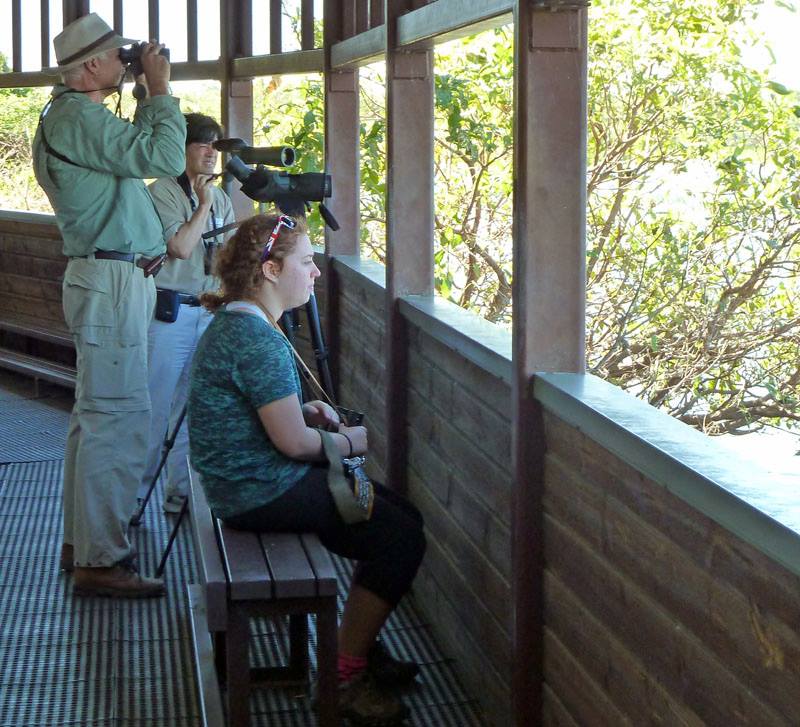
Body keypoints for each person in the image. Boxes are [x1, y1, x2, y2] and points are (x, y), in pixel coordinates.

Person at [187, 214, 426, 724]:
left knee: (398, 515)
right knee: (399, 537)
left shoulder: (241, 322)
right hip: (255, 492)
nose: (315, 272)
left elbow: (275, 419)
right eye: (305, 262)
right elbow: (294, 444)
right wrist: (346, 440)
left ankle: (359, 645)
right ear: (270, 271)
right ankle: (343, 676)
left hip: (242, 481)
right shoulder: (257, 340)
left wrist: (307, 413)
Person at [31, 13, 186, 597]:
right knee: (118, 418)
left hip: (109, 278)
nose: (126, 63)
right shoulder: (76, 116)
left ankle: (85, 543)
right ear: (91, 66)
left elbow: (140, 152)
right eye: (117, 57)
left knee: (95, 418)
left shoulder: (71, 117)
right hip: (112, 281)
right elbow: (165, 158)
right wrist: (161, 89)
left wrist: (144, 92)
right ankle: (102, 560)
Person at [140, 113, 235, 514]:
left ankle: (182, 495)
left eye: (216, 145)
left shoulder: (224, 198)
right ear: (181, 149)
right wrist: (203, 205)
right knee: (154, 410)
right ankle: (133, 501)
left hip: (209, 311)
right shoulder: (161, 191)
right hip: (169, 314)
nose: (212, 152)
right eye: (202, 144)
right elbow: (179, 246)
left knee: (193, 410)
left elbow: (227, 256)